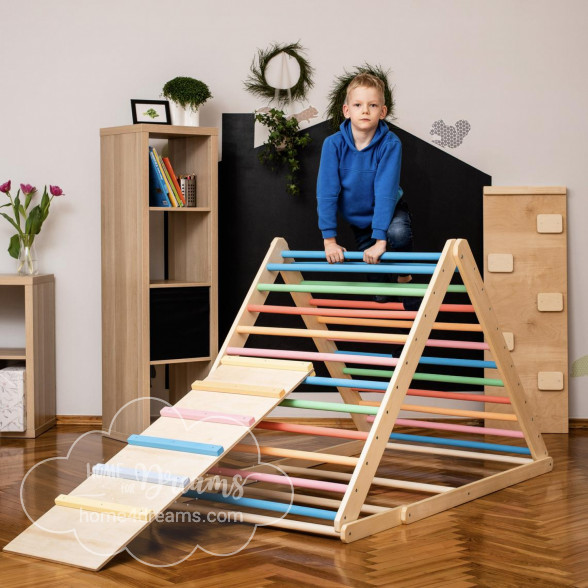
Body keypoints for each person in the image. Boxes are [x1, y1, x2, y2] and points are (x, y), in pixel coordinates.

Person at [316, 73, 418, 310]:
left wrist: (381, 240)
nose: (365, 111)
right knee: (378, 289)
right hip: (359, 218)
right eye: (358, 105)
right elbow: (327, 192)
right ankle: (386, 298)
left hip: (390, 208)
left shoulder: (390, 143)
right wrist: (329, 241)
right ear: (346, 110)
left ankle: (405, 277)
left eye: (372, 105)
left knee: (399, 234)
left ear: (382, 112)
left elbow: (385, 191)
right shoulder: (333, 144)